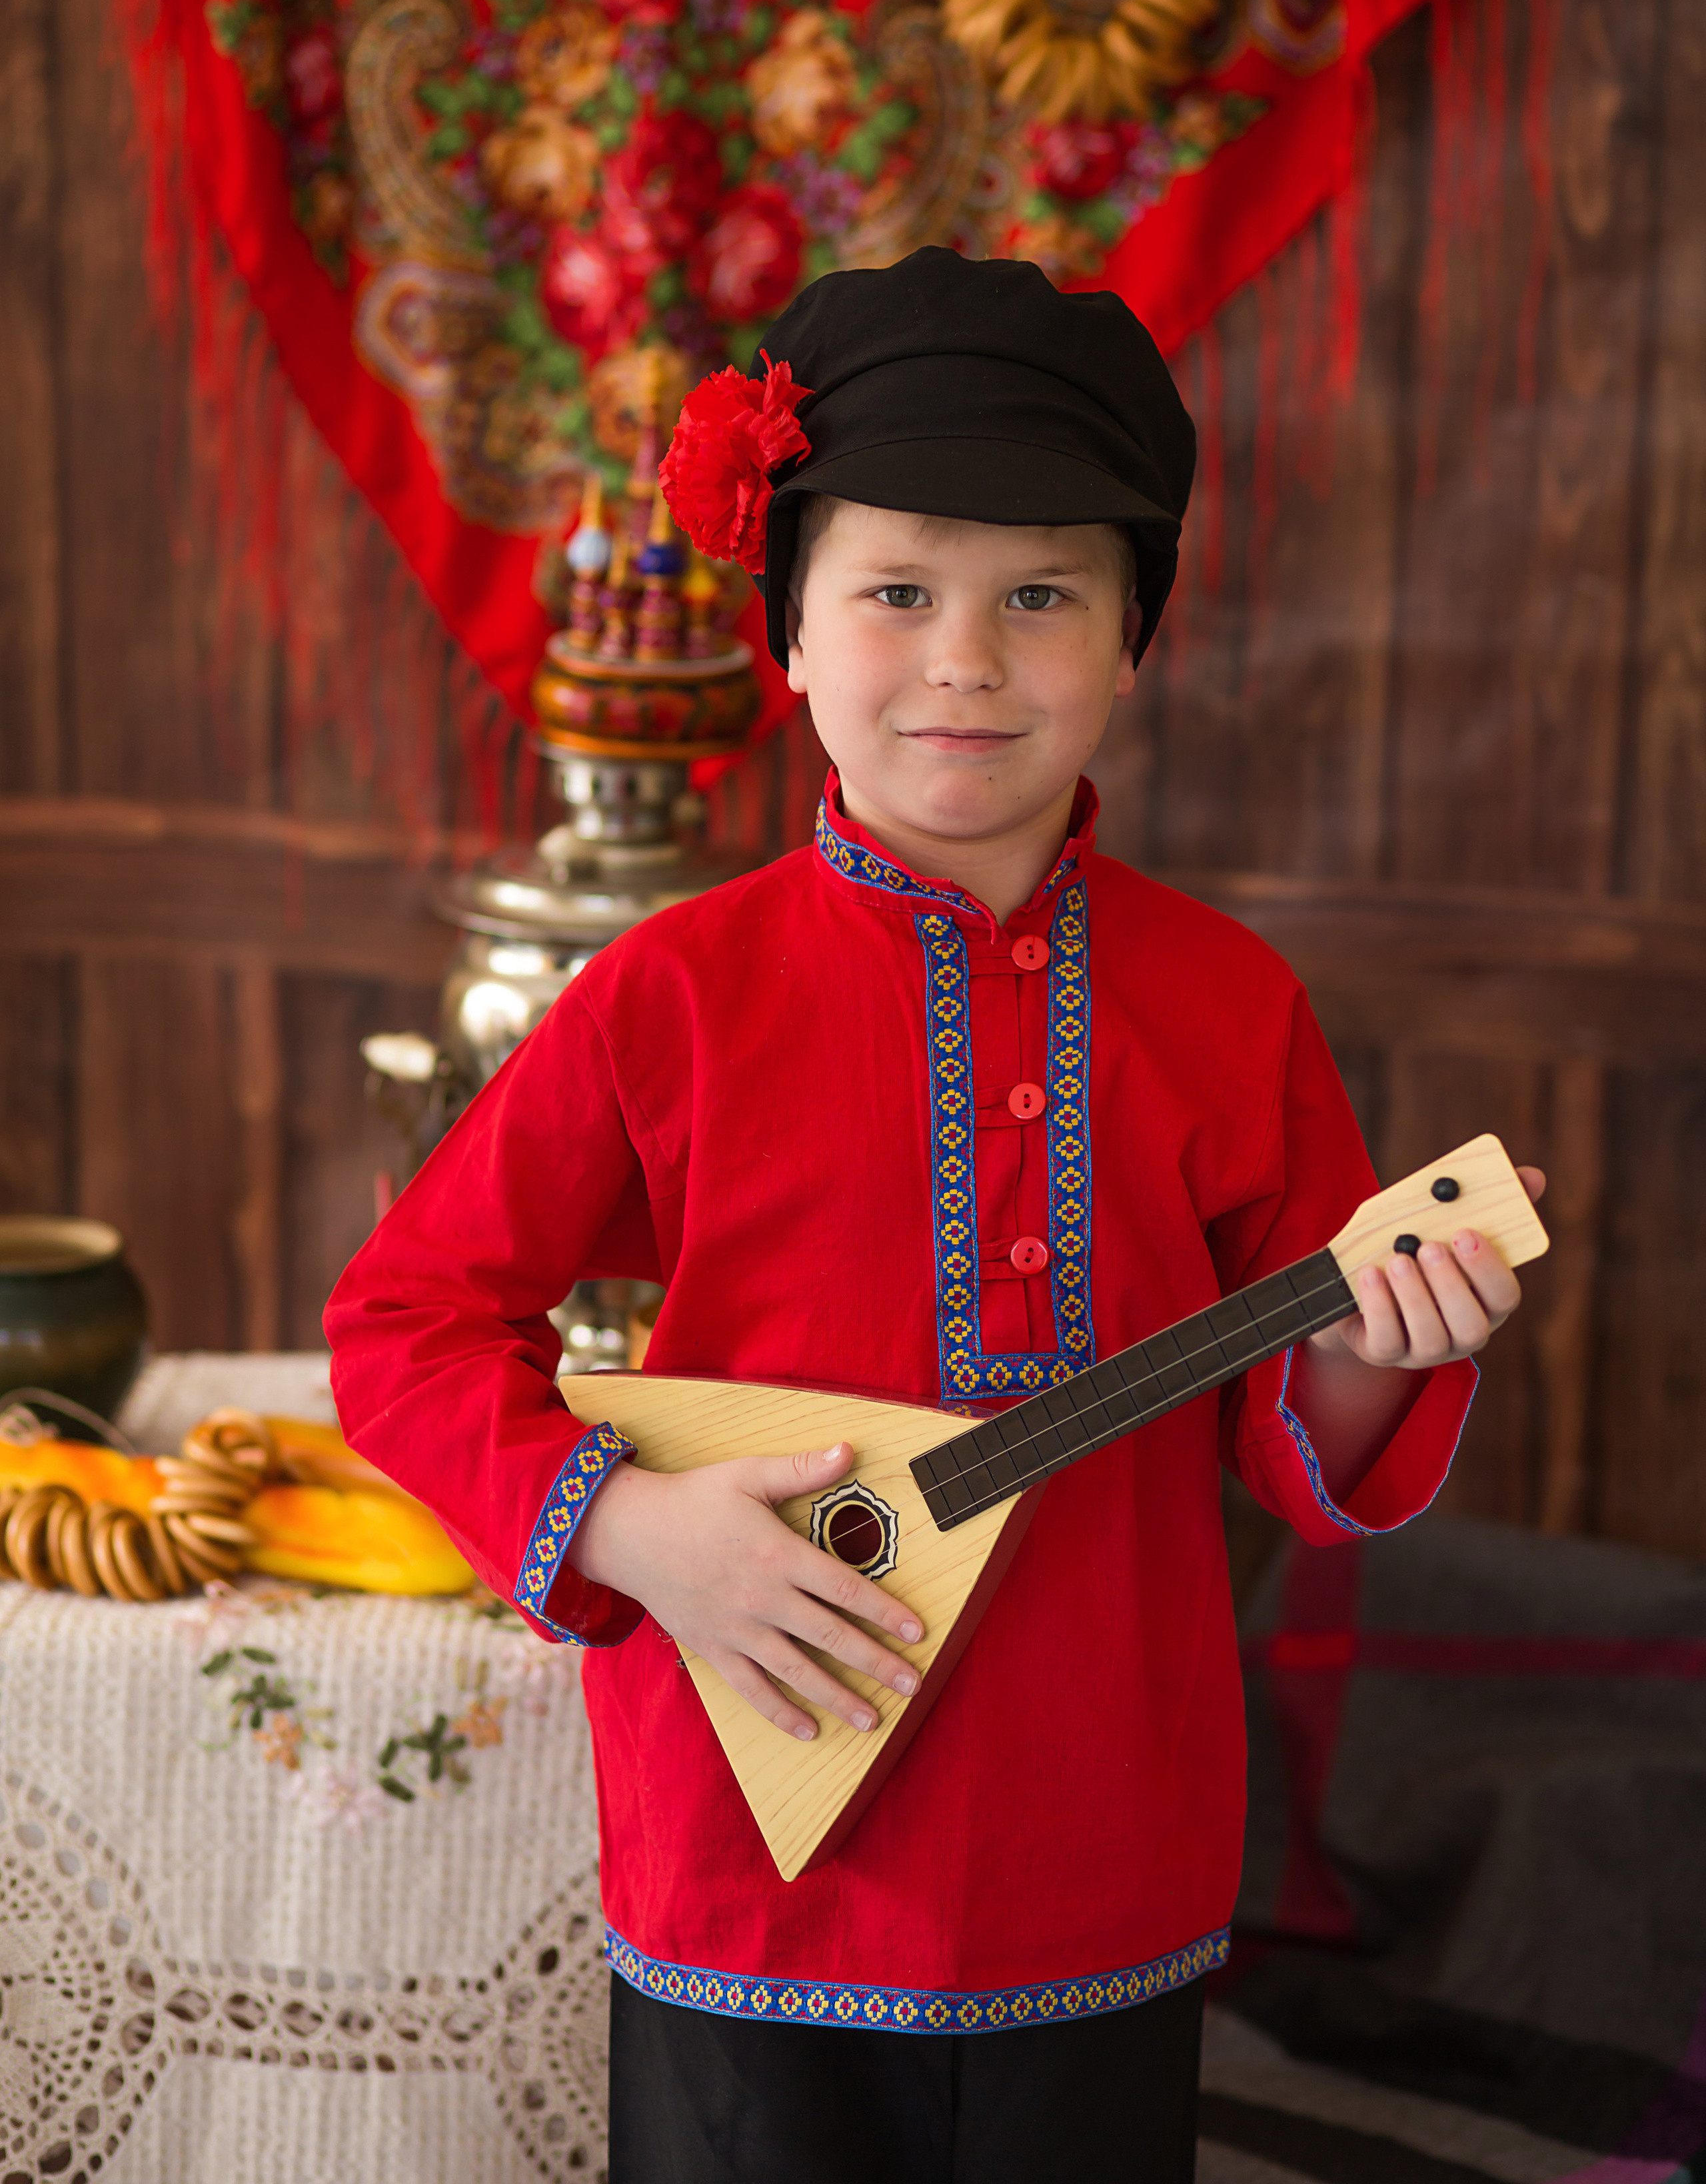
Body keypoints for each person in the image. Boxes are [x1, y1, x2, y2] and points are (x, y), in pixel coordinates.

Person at [325, 247, 1542, 2183]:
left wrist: (1380, 1355)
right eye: (897, 593)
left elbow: (1299, 1427)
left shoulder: (1227, 1007)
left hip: (1103, 1838)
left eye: (1041, 597)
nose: (967, 659)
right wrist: (632, 1526)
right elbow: (405, 1324)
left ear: (1134, 638)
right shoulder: (675, 993)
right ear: (789, 636)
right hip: (753, 1844)